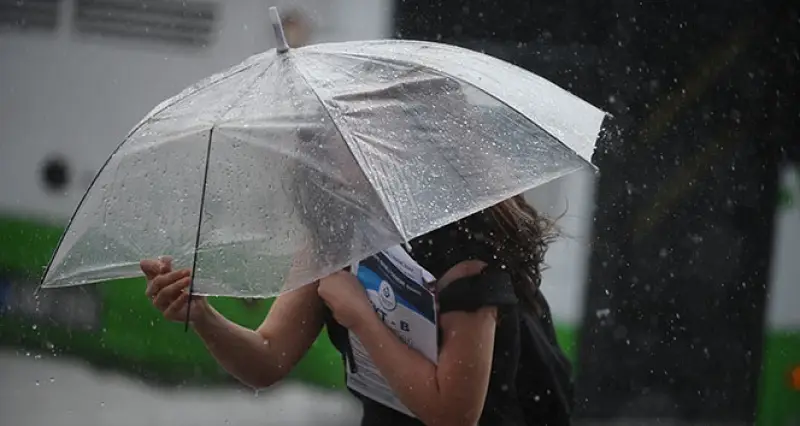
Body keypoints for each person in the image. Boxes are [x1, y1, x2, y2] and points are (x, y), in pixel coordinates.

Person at [141, 194, 574, 425]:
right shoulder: (336, 233)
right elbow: (266, 358)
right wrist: (201, 315)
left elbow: (452, 416)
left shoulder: (467, 251)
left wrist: (360, 316)